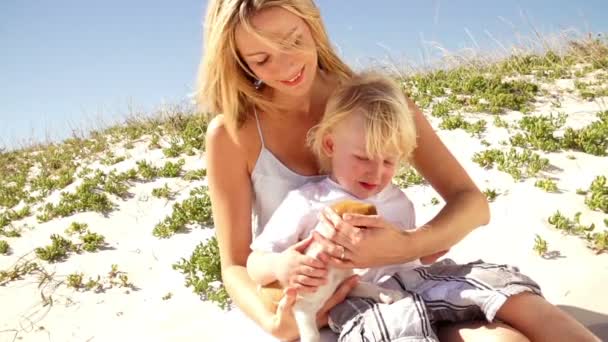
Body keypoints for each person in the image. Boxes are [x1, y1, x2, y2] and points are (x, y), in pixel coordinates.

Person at [198, 0, 600, 341]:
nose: (286, 67)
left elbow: (472, 203)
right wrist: (277, 323)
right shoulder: (232, 134)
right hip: (320, 307)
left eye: (293, 41)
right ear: (238, 61)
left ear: (311, 23)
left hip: (402, 277)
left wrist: (406, 245)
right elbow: (235, 264)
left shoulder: (373, 102)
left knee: (508, 337)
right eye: (262, 58)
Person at [245, 72, 590, 342]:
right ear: (331, 144)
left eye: (389, 162)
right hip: (362, 301)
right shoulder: (308, 202)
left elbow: (410, 252)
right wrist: (284, 264)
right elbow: (254, 263)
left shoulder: (398, 200)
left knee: (507, 295)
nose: (376, 172)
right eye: (363, 157)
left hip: (419, 281)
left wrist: (426, 247)